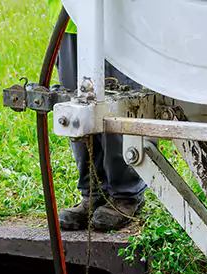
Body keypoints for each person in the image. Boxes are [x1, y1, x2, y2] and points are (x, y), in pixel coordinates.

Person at [47, 0, 147, 232]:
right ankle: (92, 192)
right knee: (78, 109)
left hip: (123, 21)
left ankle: (126, 194)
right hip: (73, 18)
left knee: (119, 104)